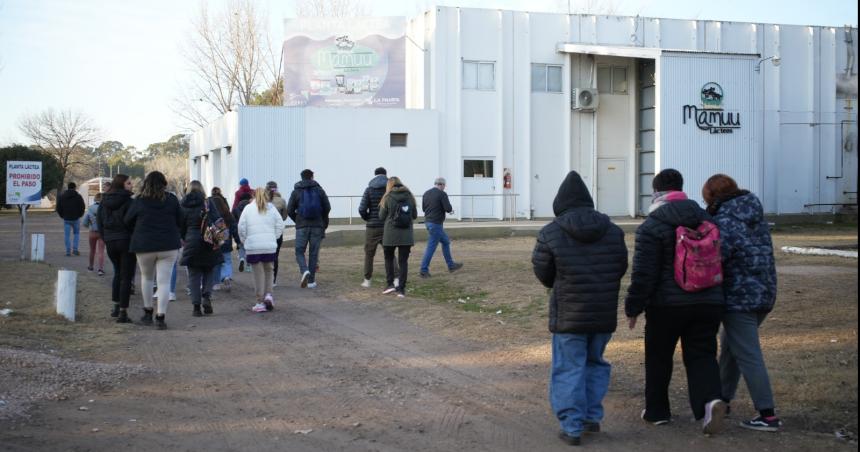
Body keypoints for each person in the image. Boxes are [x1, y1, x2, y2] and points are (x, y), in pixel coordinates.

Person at [624, 168, 727, 435]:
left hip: (666, 305)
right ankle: (711, 401)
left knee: (658, 356)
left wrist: (633, 308)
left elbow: (644, 273)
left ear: (656, 191)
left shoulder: (653, 225)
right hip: (709, 300)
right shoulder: (707, 219)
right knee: (702, 354)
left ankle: (657, 411)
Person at [532, 171, 628, 446]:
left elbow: (543, 270)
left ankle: (572, 425)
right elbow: (620, 267)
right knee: (595, 363)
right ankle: (590, 417)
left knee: (568, 367)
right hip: (602, 311)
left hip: (569, 313)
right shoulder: (613, 231)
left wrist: (558, 282)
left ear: (559, 203)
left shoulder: (551, 232)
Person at [703, 174, 781, 432]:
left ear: (712, 197)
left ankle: (767, 414)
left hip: (739, 297)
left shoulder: (725, 221)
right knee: (731, 346)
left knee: (747, 353)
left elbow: (718, 256)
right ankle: (723, 400)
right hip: (765, 293)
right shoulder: (754, 216)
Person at [125, 171, 183, 330]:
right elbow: (181, 220)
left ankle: (147, 312)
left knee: (147, 278)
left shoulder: (139, 201)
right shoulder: (171, 199)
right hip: (169, 245)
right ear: (164, 183)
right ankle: (161, 317)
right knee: (163, 282)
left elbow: (128, 220)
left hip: (144, 245)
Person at [238, 187, 285, 312]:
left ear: (253, 195)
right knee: (269, 270)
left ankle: (260, 301)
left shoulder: (248, 209)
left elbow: (241, 227)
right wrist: (274, 237)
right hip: (269, 246)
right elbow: (280, 224)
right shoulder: (272, 208)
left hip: (253, 247)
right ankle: (269, 295)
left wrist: (244, 240)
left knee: (258, 274)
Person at [97, 174, 136, 323]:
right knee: (126, 276)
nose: (131, 185)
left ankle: (116, 305)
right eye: (128, 183)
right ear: (121, 185)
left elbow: (99, 222)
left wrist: (106, 238)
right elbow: (133, 222)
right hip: (126, 241)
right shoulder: (130, 202)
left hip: (110, 241)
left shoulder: (104, 201)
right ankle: (123, 311)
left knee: (117, 273)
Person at [286, 169, 331, 289]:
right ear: (312, 177)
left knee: (299, 251)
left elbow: (289, 210)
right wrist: (321, 219)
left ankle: (304, 270)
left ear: (301, 177)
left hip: (302, 226)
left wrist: (298, 220)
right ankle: (311, 281)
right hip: (317, 226)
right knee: (313, 253)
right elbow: (328, 207)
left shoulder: (296, 191)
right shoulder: (320, 190)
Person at [358, 167, 398, 288]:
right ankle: (396, 278)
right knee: (390, 254)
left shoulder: (369, 189)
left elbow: (361, 209)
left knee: (369, 254)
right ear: (386, 175)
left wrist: (368, 218)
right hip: (387, 226)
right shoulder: (390, 189)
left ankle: (367, 280)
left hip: (372, 226)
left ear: (375, 175)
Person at [377, 176, 417, 298]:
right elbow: (414, 215)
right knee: (403, 261)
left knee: (389, 259)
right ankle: (401, 289)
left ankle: (390, 284)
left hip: (390, 235)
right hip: (406, 235)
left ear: (389, 185)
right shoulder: (410, 196)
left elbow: (381, 217)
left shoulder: (387, 197)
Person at [419, 177, 463, 277]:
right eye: (444, 186)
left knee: (446, 241)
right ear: (442, 185)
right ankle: (423, 270)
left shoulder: (426, 193)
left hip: (428, 222)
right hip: (436, 224)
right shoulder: (442, 194)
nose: (444, 188)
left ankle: (451, 265)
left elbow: (423, 208)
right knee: (431, 247)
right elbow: (448, 208)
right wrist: (450, 210)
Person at [210, 195, 236, 292]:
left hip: (215, 242)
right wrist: (237, 240)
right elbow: (234, 227)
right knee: (227, 261)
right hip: (226, 242)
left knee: (216, 263)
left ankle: (216, 283)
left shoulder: (212, 215)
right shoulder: (228, 215)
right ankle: (227, 277)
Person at [266, 181, 288, 286]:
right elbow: (284, 217)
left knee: (265, 256)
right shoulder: (282, 201)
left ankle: (266, 278)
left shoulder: (263, 201)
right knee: (275, 256)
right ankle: (273, 280)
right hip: (277, 233)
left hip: (265, 232)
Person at [56, 182, 86, 256]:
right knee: (76, 234)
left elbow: (58, 207)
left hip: (66, 218)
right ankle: (75, 249)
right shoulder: (78, 196)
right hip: (76, 218)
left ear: (68, 187)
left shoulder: (62, 196)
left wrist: (62, 215)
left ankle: (68, 251)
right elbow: (82, 206)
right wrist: (80, 215)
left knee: (67, 235)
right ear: (75, 187)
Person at [82, 192, 106, 275]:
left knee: (92, 250)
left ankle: (90, 267)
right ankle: (100, 269)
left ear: (95, 199)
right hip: (102, 232)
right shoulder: (105, 208)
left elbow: (85, 222)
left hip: (92, 232)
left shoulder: (90, 208)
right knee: (101, 251)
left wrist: (89, 225)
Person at [232, 192, 253, 272]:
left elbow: (233, 220)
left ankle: (241, 259)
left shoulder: (236, 208)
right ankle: (248, 266)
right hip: (249, 229)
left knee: (241, 246)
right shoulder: (251, 208)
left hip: (239, 229)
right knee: (249, 248)